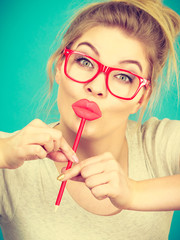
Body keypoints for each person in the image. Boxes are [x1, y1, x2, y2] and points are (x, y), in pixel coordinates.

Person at [0, 0, 180, 239]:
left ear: (142, 97)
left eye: (124, 77)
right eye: (84, 62)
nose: (96, 87)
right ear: (59, 66)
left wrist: (133, 192)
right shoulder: (10, 159)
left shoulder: (160, 144)